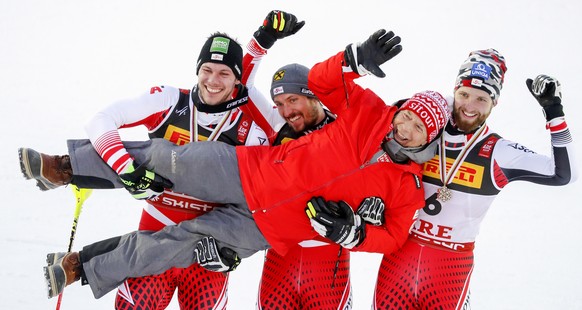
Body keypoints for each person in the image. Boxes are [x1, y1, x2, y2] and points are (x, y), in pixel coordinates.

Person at [23, 29, 450, 300]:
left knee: (173, 246)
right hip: (249, 170)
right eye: (406, 115)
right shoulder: (366, 111)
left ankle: (78, 268)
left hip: (268, 228)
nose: (406, 128)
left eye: (418, 127)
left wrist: (355, 234)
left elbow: (393, 237)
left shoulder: (409, 186)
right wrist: (351, 60)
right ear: (399, 109)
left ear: (429, 136)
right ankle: (65, 167)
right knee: (166, 156)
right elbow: (322, 81)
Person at [20, 10, 304, 307]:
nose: (213, 81)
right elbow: (101, 120)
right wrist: (126, 169)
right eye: (207, 69)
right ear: (197, 70)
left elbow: (265, 200)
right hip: (154, 233)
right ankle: (65, 169)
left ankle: (79, 256)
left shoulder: (252, 128)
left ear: (237, 80)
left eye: (224, 73)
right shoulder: (169, 101)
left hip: (205, 250)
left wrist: (233, 251)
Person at [371, 49, 577, 309]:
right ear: (454, 91)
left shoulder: (499, 152)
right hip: (400, 257)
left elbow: (563, 175)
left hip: (449, 269)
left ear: (495, 103)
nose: (469, 106)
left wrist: (554, 112)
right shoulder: (427, 127)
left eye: (481, 99)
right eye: (464, 95)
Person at [240, 45, 350, 308]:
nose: (286, 110)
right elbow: (241, 84)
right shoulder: (278, 127)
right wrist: (260, 42)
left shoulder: (345, 129)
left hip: (327, 262)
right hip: (281, 257)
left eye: (293, 100)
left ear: (313, 97)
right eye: (279, 103)